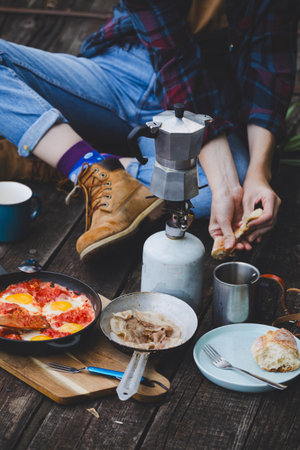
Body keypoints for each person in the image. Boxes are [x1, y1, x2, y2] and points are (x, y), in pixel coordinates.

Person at [0, 0, 298, 261]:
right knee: (215, 188)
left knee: (216, 194)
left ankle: (66, 159)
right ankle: (87, 167)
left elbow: (269, 67)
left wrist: (259, 174)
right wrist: (226, 185)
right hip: (121, 71)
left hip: (206, 97)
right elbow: (177, 61)